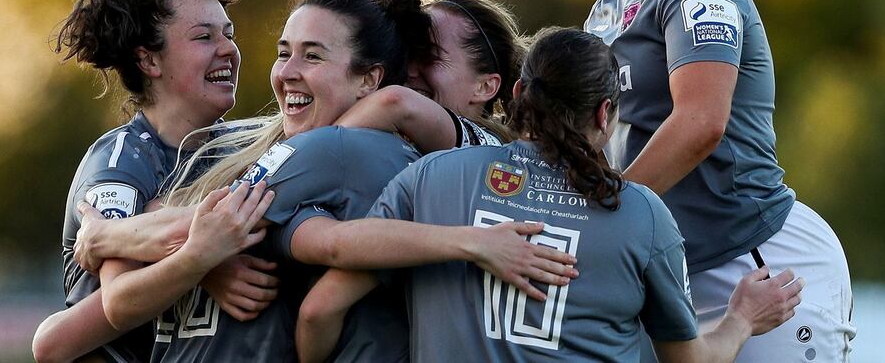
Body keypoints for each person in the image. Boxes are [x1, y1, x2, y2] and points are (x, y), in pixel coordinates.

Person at [72, 0, 574, 362]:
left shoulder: (365, 152)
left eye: (427, 57)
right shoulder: (229, 146)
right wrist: (200, 265)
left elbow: (317, 262)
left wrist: (107, 238)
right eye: (283, 52)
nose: (413, 71)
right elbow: (317, 241)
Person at [296, 27, 803, 362]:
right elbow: (686, 361)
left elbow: (318, 312)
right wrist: (741, 320)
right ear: (605, 114)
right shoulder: (642, 213)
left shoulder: (433, 177)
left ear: (517, 94)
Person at [583, 0, 855, 361]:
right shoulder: (612, 1)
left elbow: (700, 123)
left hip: (756, 264)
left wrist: (601, 215)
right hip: (672, 270)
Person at [32, 0, 278, 363]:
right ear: (149, 59)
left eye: (228, 34)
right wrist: (200, 264)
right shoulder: (120, 165)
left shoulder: (240, 144)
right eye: (204, 37)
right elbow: (106, 308)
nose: (229, 50)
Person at [337, 0, 525, 151]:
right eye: (410, 53)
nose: (410, 70)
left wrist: (315, 146)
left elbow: (395, 101)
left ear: (484, 87)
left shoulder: (493, 148)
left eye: (430, 58)